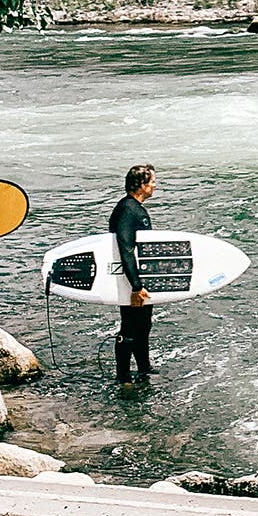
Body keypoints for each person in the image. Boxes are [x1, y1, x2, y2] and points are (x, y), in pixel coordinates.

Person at [109, 164, 158, 388]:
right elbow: (126, 248)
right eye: (152, 182)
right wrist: (136, 287)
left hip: (137, 277)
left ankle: (143, 368)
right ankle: (123, 377)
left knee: (143, 325)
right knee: (129, 326)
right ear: (141, 185)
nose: (155, 185)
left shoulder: (134, 208)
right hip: (129, 281)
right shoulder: (128, 210)